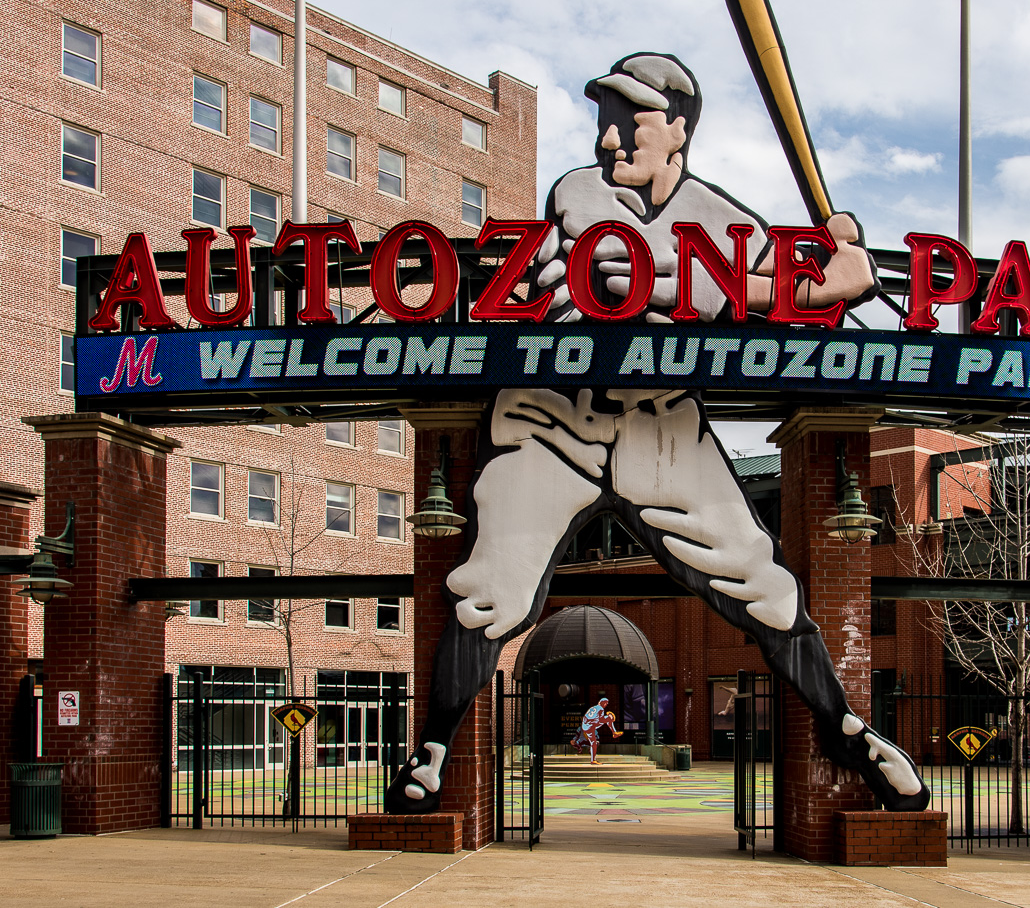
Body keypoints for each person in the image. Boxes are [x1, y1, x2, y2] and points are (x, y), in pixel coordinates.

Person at [386, 54, 927, 815]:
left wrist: (842, 275)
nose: (609, 139)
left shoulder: (721, 218)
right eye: (604, 119)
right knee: (491, 591)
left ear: (679, 128)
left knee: (765, 584)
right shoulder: (581, 194)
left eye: (629, 120)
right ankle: (434, 750)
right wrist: (823, 284)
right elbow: (650, 280)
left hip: (660, 420)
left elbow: (763, 284)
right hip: (554, 413)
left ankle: (851, 733)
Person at [572, 697, 622, 765]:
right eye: (605, 703)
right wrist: (610, 717)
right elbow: (601, 720)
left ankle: (593, 760)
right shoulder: (601, 709)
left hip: (585, 725)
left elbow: (588, 717)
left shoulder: (593, 707)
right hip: (591, 725)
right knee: (608, 718)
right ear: (603, 703)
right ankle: (614, 732)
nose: (606, 705)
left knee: (593, 743)